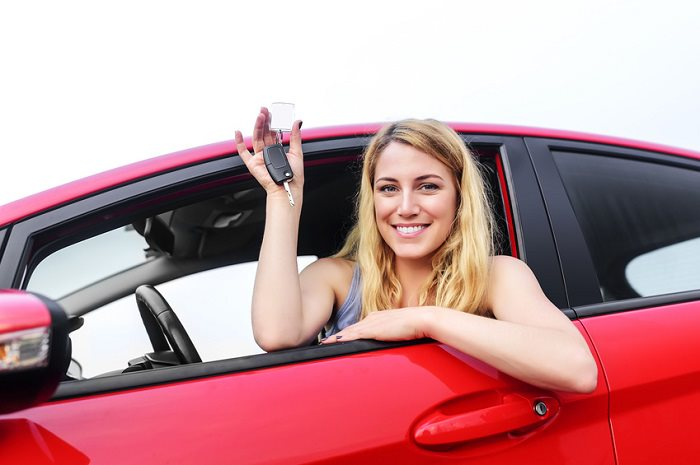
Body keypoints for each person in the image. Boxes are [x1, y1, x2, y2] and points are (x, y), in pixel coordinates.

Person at [235, 107, 598, 393]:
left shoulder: (497, 275)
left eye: (427, 187)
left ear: (458, 197)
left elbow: (578, 370)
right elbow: (276, 334)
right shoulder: (338, 277)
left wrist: (427, 319)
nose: (405, 207)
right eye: (389, 189)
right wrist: (282, 197)